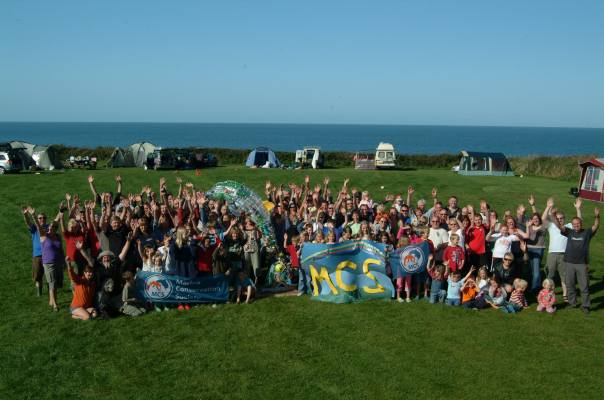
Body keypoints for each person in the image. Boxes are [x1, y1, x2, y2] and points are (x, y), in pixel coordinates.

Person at [552, 207, 599, 314]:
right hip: (569, 263)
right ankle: (572, 303)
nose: (576, 225)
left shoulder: (587, 233)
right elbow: (559, 226)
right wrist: (554, 216)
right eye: (574, 224)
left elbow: (596, 226)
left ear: (581, 223)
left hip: (582, 264)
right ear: (572, 225)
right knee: (570, 284)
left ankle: (586, 305)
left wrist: (597, 216)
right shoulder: (569, 232)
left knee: (584, 286)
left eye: (578, 223)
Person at [542, 197, 581, 303]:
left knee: (564, 276)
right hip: (552, 254)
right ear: (555, 218)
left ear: (564, 218)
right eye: (558, 218)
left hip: (564, 255)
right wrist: (548, 207)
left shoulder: (568, 226)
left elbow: (578, 221)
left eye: (561, 218)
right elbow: (543, 219)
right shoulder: (551, 225)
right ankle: (548, 293)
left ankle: (565, 295)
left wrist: (578, 208)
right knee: (550, 274)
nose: (560, 220)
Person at [31, 208, 64, 311]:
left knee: (56, 283)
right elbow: (38, 225)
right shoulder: (43, 236)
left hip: (58, 262)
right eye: (50, 227)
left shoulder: (58, 237)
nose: (51, 228)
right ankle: (55, 304)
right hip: (48, 263)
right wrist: (34, 215)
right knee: (52, 283)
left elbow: (61, 249)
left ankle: (52, 301)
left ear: (55, 228)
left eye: (53, 227)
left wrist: (61, 211)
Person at [23, 207, 48, 296]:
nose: (42, 220)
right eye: (40, 218)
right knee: (37, 275)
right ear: (37, 219)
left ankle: (50, 290)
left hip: (48, 254)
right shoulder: (34, 228)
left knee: (49, 274)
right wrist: (25, 214)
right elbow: (28, 223)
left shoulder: (49, 227)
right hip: (37, 255)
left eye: (44, 218)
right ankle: (39, 289)